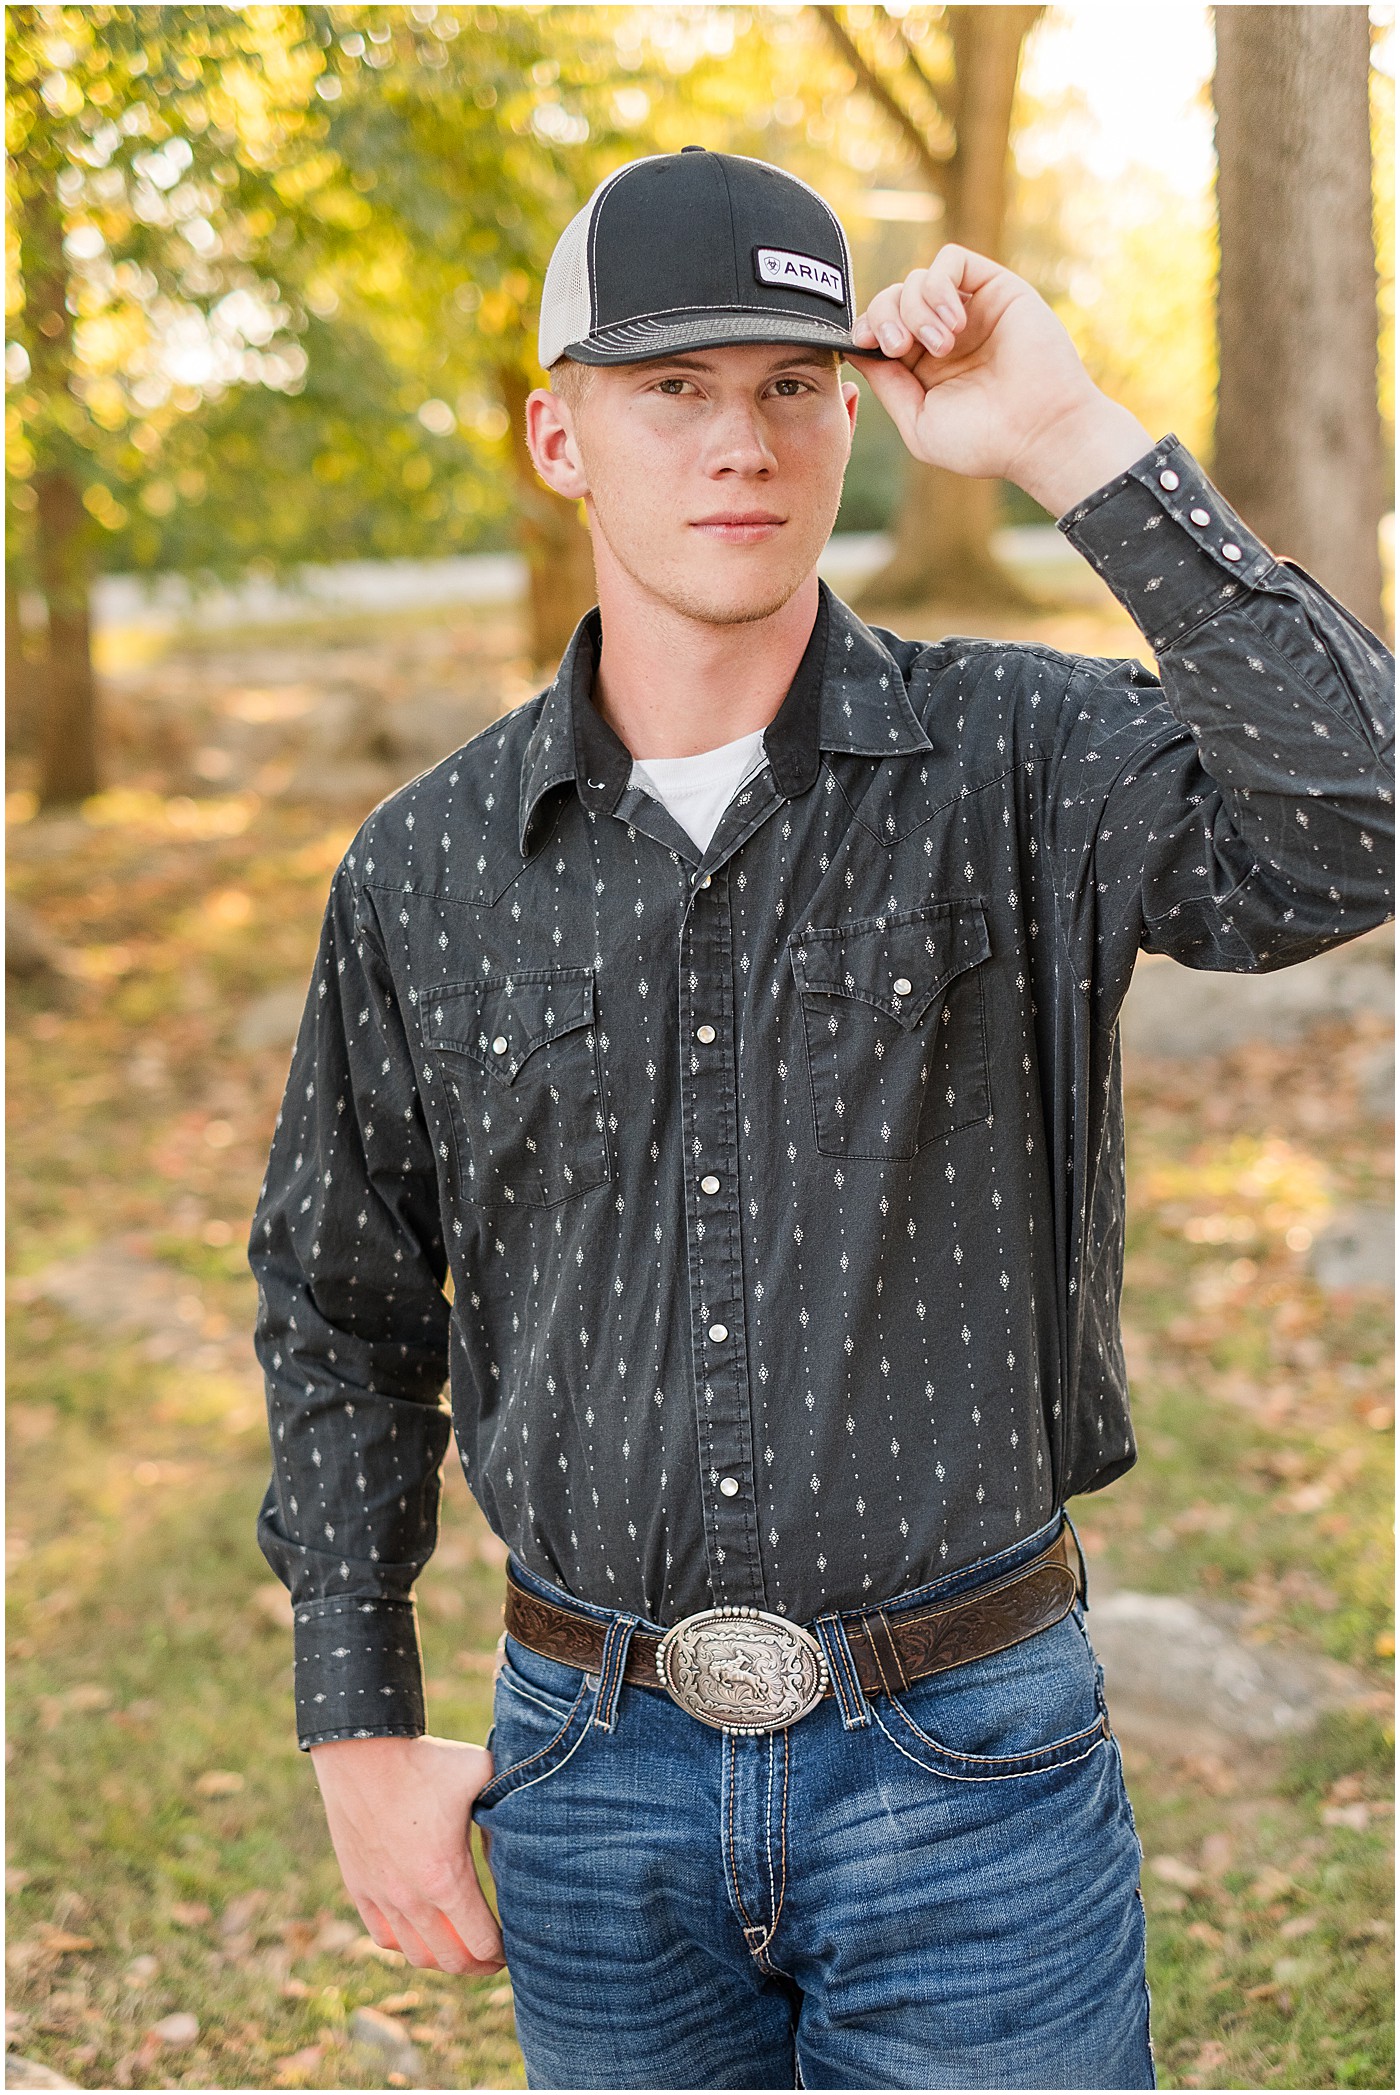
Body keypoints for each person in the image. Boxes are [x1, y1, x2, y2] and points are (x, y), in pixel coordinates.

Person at [250, 149, 1394, 2091]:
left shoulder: (1017, 756)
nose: (741, 443)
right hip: (585, 1783)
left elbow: (1353, 811)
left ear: (854, 408)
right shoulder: (423, 866)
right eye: (671, 388)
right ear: (559, 433)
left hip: (968, 1775)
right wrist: (358, 1720)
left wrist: (1065, 434)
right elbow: (341, 1301)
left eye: (790, 382)